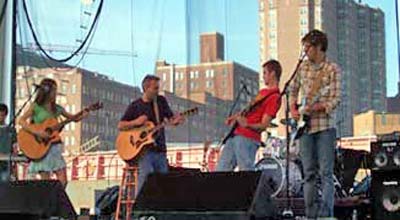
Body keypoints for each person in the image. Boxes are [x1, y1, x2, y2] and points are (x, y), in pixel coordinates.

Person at [290, 29, 341, 219]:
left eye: (308, 47)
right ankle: (311, 215)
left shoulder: (332, 69)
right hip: (305, 128)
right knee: (308, 174)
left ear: (319, 46)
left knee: (326, 173)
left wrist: (319, 107)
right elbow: (293, 90)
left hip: (325, 127)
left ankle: (326, 214)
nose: (305, 50)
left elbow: (335, 99)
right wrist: (293, 109)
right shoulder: (302, 67)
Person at [118, 75, 184, 195]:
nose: (157, 91)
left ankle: (159, 209)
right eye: (155, 88)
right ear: (146, 88)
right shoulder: (135, 106)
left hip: (160, 149)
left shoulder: (161, 101)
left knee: (163, 182)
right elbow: (121, 125)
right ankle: (140, 208)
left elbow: (171, 119)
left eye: (158, 88)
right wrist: (136, 122)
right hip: (144, 152)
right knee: (146, 177)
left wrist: (176, 121)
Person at [19, 78, 88, 188]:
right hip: (41, 147)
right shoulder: (36, 106)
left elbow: (73, 118)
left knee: (63, 180)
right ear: (46, 91)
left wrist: (84, 114)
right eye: (53, 90)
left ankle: (55, 201)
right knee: (45, 181)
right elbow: (21, 120)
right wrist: (37, 132)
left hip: (54, 146)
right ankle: (47, 203)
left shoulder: (57, 109)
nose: (55, 93)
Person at [216, 59, 282, 171]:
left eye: (265, 73)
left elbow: (264, 125)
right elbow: (248, 111)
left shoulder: (274, 97)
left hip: (248, 138)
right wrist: (235, 117)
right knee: (221, 170)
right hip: (236, 135)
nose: (263, 76)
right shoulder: (262, 93)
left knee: (245, 171)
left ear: (273, 73)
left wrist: (247, 125)